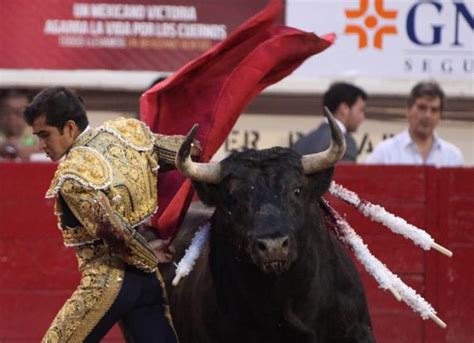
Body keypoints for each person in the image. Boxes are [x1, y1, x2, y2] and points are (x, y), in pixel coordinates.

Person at [24, 87, 198, 342]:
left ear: (70, 128)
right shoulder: (124, 133)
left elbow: (114, 234)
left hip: (107, 282)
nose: (41, 145)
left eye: (45, 135)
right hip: (147, 281)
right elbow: (180, 151)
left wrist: (150, 253)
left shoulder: (73, 174)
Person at [366, 81, 464, 166]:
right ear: (408, 110)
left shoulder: (453, 157)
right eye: (422, 108)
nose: (427, 115)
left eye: (434, 110)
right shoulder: (385, 152)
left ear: (440, 116)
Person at [292, 82, 367, 162]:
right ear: (344, 109)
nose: (363, 117)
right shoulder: (345, 143)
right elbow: (345, 174)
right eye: (361, 110)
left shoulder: (301, 142)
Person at [0, 89, 41, 160]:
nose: (11, 117)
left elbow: (54, 147)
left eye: (18, 113)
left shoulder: (37, 131)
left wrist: (28, 150)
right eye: (6, 111)